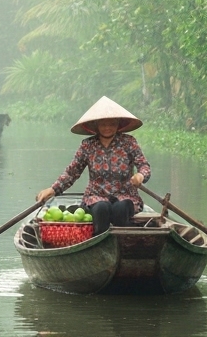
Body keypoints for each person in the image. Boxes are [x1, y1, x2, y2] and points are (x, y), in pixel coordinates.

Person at [37, 97, 152, 235]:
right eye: (103, 124)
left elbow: (144, 165)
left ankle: (124, 242)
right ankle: (99, 243)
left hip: (125, 195)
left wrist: (140, 175)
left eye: (112, 123)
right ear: (96, 125)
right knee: (101, 208)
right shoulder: (88, 145)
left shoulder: (129, 142)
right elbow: (72, 172)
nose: (107, 127)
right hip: (96, 196)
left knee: (121, 209)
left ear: (118, 124)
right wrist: (53, 189)